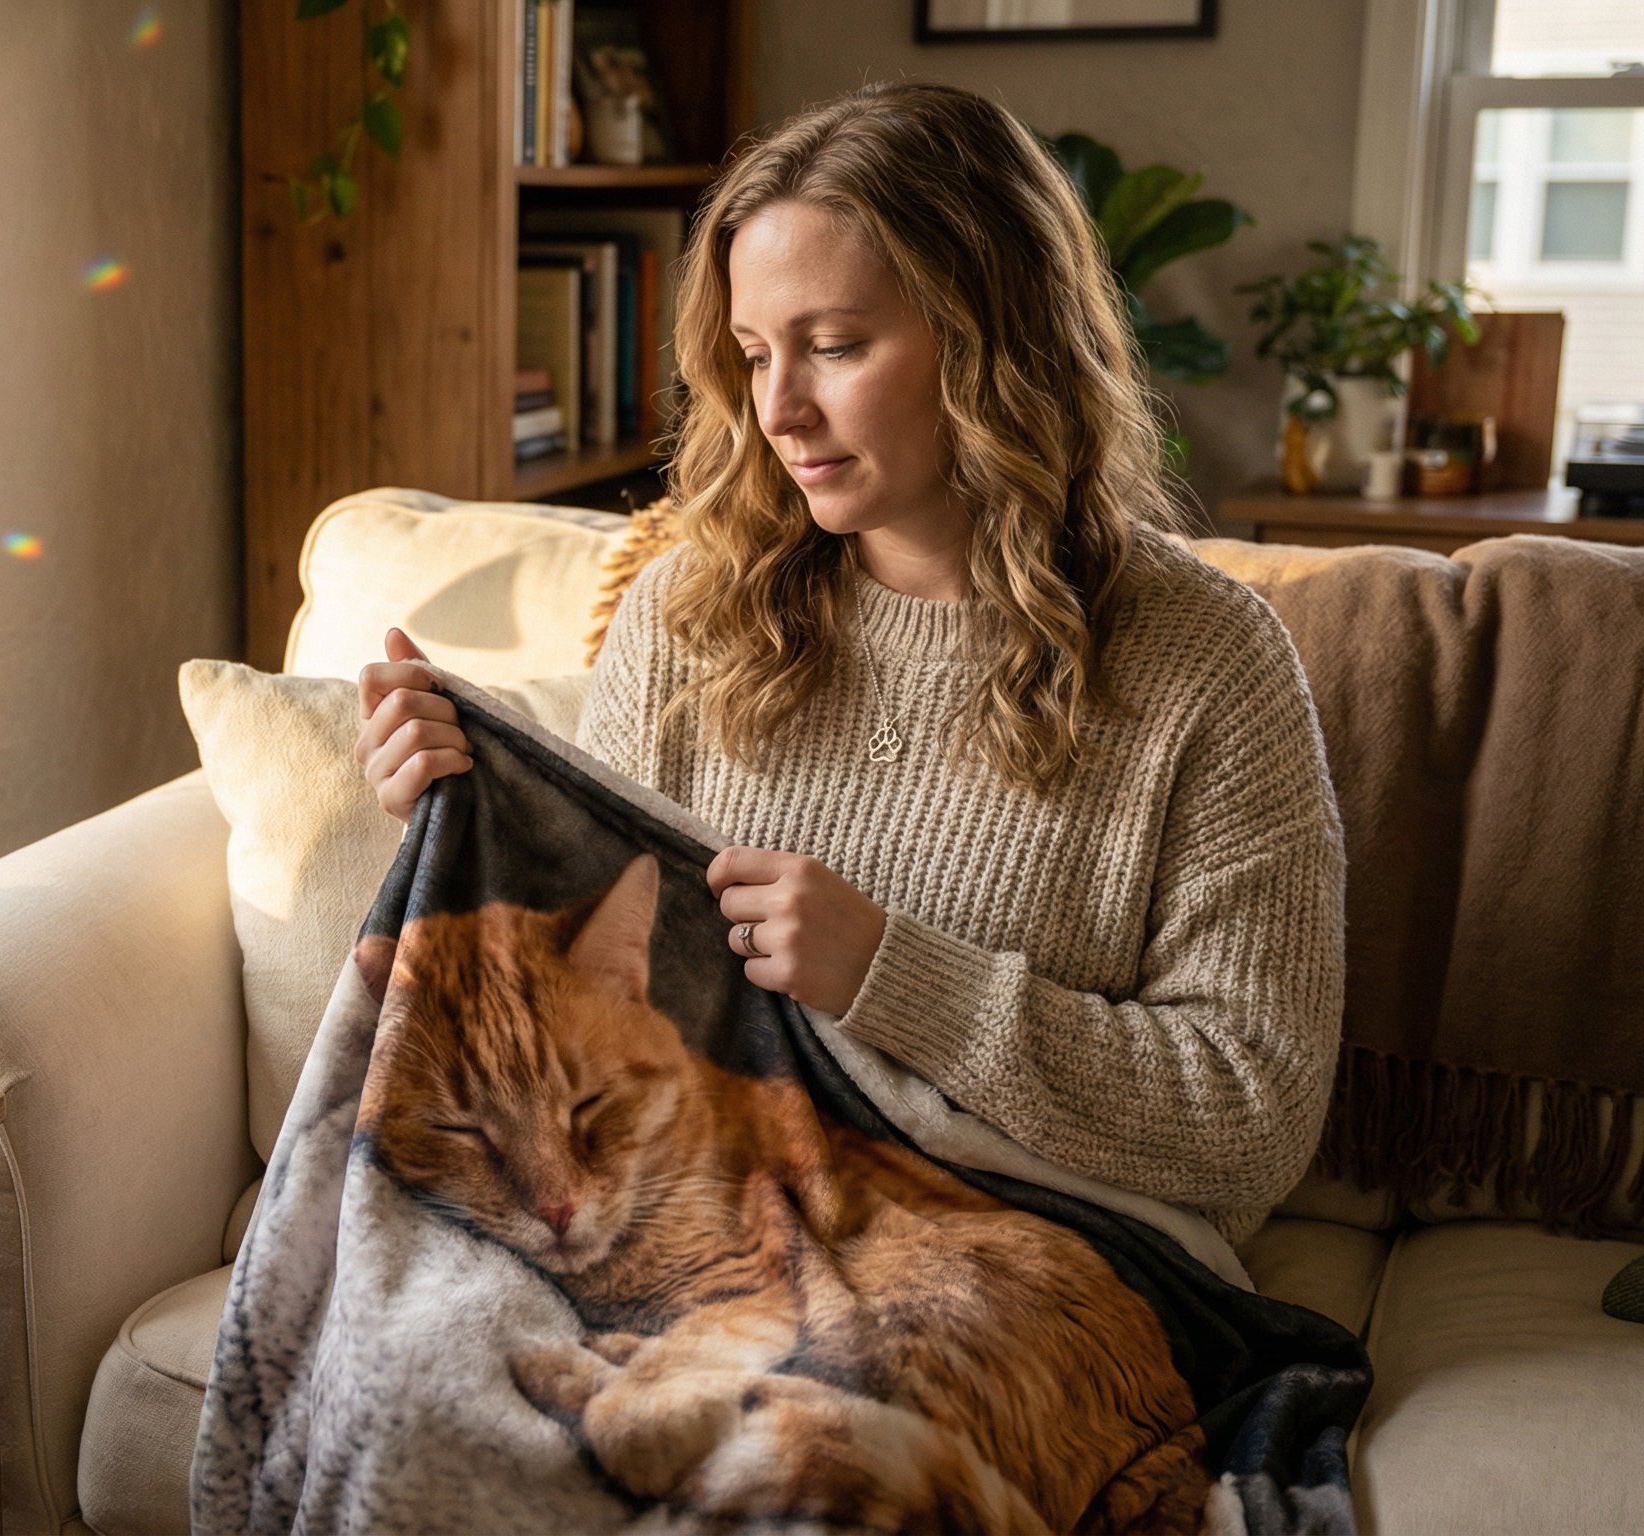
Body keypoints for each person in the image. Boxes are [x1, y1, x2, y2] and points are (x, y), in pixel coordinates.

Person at [354, 82, 1344, 1245]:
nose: (778, 408)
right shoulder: (688, 613)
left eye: (831, 347)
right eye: (752, 352)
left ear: (993, 341)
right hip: (703, 1232)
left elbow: (1252, 1118)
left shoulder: (1209, 663)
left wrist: (896, 977)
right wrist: (453, 824)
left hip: (1028, 1263)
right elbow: (588, 1019)